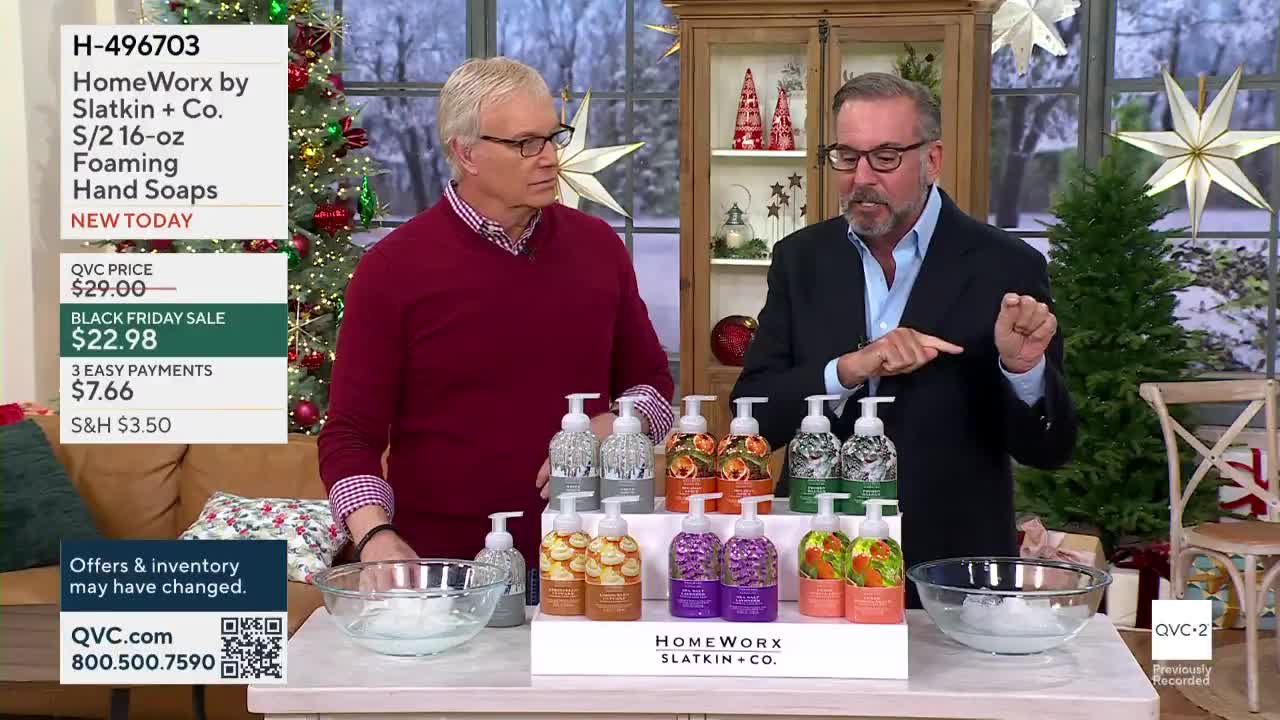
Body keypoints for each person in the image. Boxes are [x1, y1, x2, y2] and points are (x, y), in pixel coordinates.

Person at [731, 72, 1077, 607]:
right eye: (846, 157)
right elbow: (754, 416)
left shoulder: (1005, 266)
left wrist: (1024, 371)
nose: (861, 178)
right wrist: (846, 369)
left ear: (932, 160)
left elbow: (1049, 449)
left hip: (950, 573)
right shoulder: (801, 259)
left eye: (886, 157)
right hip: (819, 559)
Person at [318, 57, 674, 574]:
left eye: (554, 137)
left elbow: (653, 385)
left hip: (589, 562)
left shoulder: (598, 247)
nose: (550, 157)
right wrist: (375, 535)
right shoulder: (390, 269)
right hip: (444, 570)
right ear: (467, 153)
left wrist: (617, 425)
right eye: (526, 143)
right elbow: (350, 434)